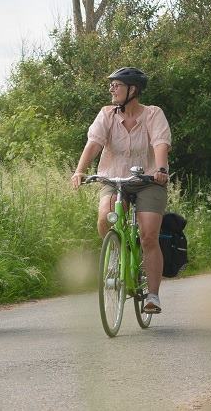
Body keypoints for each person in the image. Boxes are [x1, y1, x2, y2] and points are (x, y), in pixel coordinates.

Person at [69, 67, 172, 314]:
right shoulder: (107, 114)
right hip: (114, 178)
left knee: (148, 235)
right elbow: (93, 144)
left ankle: (153, 296)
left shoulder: (153, 114)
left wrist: (160, 169)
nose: (112, 89)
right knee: (105, 218)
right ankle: (118, 253)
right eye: (112, 85)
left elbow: (160, 143)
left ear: (133, 89)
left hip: (148, 180)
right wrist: (79, 170)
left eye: (117, 85)